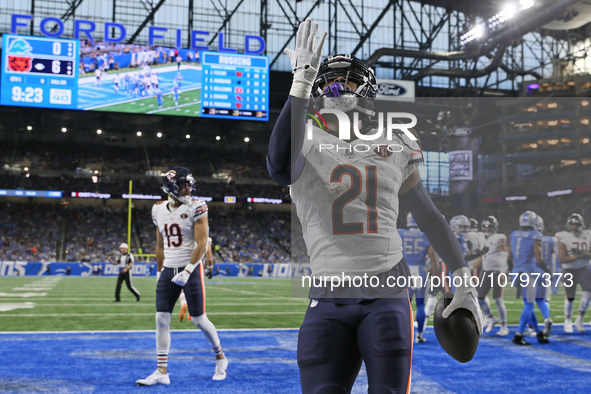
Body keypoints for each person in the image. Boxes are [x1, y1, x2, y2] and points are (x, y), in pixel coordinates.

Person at [266, 17, 482, 393]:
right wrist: (299, 81)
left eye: (346, 79)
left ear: (365, 89)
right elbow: (281, 167)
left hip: (387, 289)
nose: (336, 86)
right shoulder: (305, 136)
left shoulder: (397, 140)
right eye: (327, 79)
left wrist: (462, 276)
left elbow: (427, 215)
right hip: (328, 294)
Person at [137, 167, 227, 386]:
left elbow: (203, 242)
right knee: (161, 319)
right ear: (170, 187)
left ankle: (221, 358)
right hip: (169, 268)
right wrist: (160, 272)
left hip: (191, 267)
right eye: (183, 185)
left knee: (198, 319)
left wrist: (187, 271)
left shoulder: (198, 206)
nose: (187, 188)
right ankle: (161, 371)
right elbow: (159, 245)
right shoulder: (158, 209)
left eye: (189, 184)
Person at [509, 211, 551, 345]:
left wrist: (513, 272)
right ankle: (518, 335)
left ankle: (538, 333)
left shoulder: (514, 234)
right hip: (528, 273)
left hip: (516, 272)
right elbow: (539, 258)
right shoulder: (535, 235)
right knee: (529, 304)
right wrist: (548, 271)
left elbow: (509, 258)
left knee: (529, 304)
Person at [555, 213, 591, 333]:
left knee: (588, 292)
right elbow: (561, 258)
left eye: (576, 224)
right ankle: (567, 319)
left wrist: (584, 254)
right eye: (572, 224)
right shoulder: (564, 237)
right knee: (570, 297)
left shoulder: (588, 234)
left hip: (583, 268)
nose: (574, 227)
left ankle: (580, 318)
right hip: (569, 269)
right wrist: (578, 256)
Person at [398, 213, 430, 343]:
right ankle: (420, 335)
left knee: (405, 305)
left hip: (405, 271)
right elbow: (433, 259)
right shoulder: (425, 235)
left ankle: (405, 334)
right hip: (420, 270)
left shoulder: (399, 233)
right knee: (421, 304)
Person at [477, 216, 509, 336]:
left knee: (498, 299)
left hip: (497, 273)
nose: (487, 229)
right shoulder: (481, 237)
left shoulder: (499, 237)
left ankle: (504, 326)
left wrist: (502, 272)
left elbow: (504, 254)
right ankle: (490, 317)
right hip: (486, 271)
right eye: (485, 226)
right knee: (479, 297)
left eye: (489, 226)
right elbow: (483, 256)